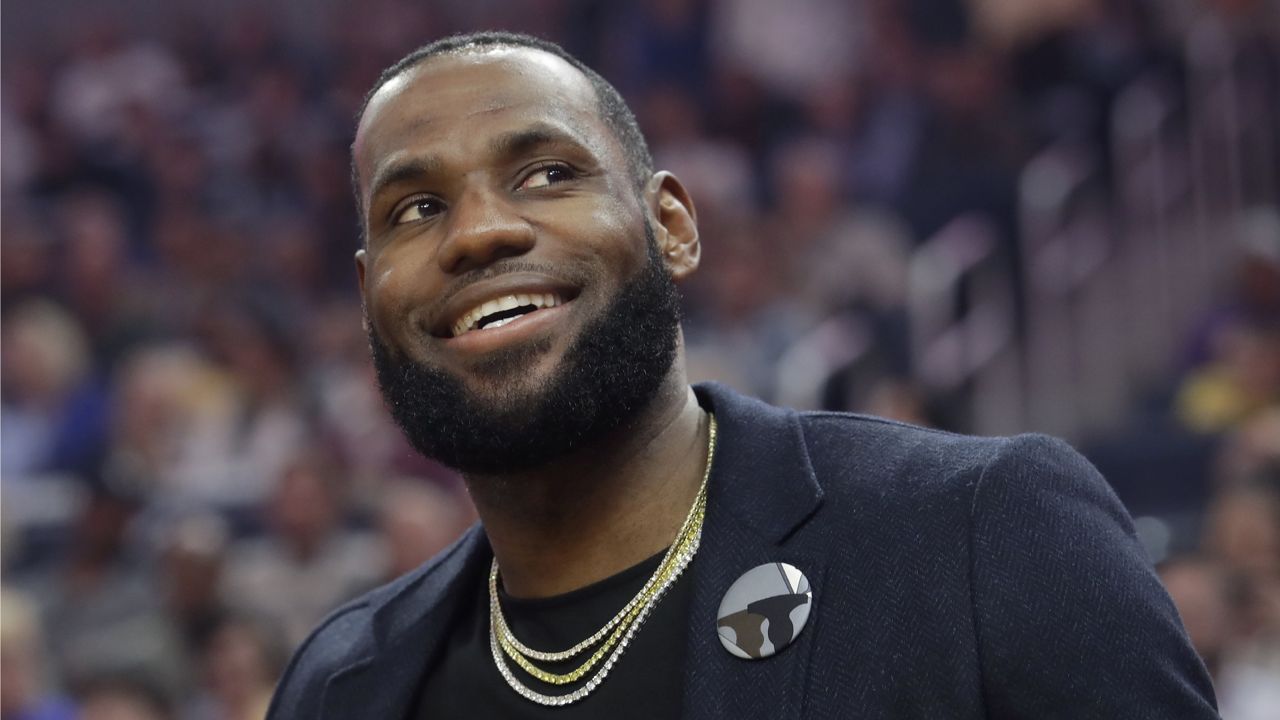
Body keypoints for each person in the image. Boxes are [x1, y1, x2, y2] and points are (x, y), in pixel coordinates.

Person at [267, 31, 1217, 718]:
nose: (477, 233)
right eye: (416, 207)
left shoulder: (980, 534)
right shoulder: (339, 685)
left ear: (673, 226)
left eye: (548, 174)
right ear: (368, 296)